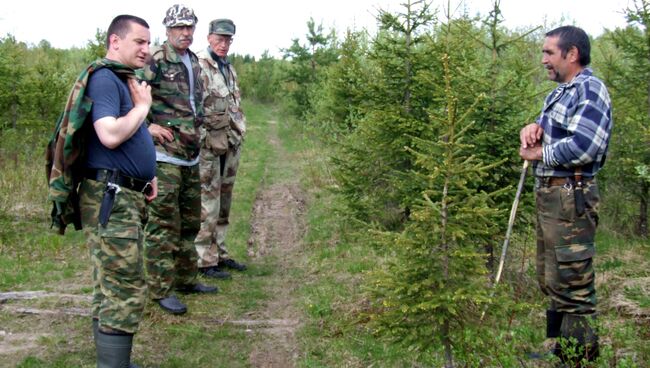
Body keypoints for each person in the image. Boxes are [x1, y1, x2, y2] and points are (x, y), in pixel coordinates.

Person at [67, 14, 156, 368]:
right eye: (139, 42)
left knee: (110, 283)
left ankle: (113, 362)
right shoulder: (105, 79)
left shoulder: (123, 79)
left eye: (149, 43)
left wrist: (146, 175)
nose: (146, 50)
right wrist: (143, 108)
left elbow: (128, 137)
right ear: (115, 41)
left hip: (123, 191)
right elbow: (110, 134)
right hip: (111, 197)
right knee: (124, 287)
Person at [519, 25, 612, 365]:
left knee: (573, 281)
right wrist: (533, 130)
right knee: (553, 277)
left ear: (571, 54)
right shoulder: (560, 93)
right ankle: (559, 348)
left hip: (571, 197)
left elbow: (586, 146)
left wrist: (540, 154)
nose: (543, 59)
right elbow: (551, 135)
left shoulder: (591, 90)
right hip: (551, 197)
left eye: (548, 52)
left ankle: (579, 357)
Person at [142, 4, 217, 316]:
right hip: (164, 157)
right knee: (162, 224)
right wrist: (146, 126)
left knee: (189, 222)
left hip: (190, 155)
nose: (185, 33)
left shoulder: (195, 61)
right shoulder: (155, 60)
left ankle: (186, 278)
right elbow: (130, 92)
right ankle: (160, 288)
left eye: (189, 27)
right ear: (167, 29)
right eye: (178, 28)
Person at [194, 18, 248, 279]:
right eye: (219, 38)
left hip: (230, 143)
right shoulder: (198, 65)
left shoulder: (229, 69)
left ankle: (221, 253)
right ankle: (204, 260)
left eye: (228, 39)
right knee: (208, 202)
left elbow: (234, 106)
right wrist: (202, 137)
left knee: (224, 201)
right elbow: (192, 107)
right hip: (208, 147)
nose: (223, 43)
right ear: (209, 37)